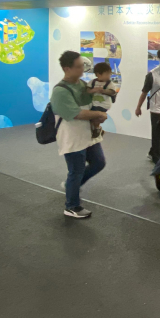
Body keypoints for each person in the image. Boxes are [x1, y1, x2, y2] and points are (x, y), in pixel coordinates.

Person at [51, 51, 108, 219]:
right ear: (66, 69)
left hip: (87, 135)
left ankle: (72, 186)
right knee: (76, 170)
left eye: (82, 65)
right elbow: (77, 113)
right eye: (78, 67)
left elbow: (88, 106)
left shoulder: (82, 84)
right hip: (72, 137)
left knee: (98, 162)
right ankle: (71, 206)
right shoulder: (60, 91)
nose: (82, 69)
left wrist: (97, 117)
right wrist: (99, 114)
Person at [87, 62, 118, 138]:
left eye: (110, 74)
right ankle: (98, 129)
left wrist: (103, 91)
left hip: (103, 105)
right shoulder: (92, 82)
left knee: (95, 117)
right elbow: (87, 90)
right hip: (94, 104)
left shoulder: (110, 84)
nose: (109, 76)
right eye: (107, 74)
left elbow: (112, 92)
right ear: (98, 74)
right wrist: (93, 90)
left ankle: (97, 128)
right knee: (90, 118)